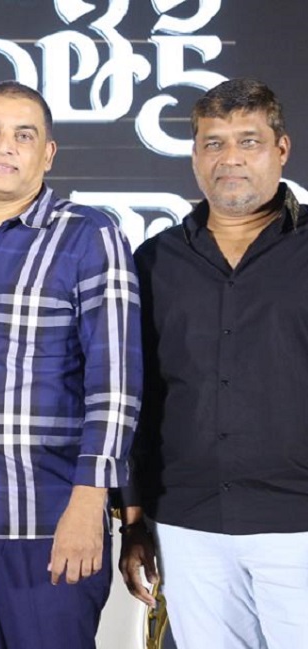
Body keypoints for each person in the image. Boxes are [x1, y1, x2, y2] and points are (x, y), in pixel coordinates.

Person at [0, 81, 142, 649]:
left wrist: (90, 501)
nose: (4, 146)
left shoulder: (89, 235)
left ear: (47, 154)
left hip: (48, 519)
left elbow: (115, 384)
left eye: (23, 135)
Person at [119, 78, 308, 649]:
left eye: (248, 141)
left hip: (298, 525)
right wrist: (133, 523)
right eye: (213, 143)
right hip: (188, 524)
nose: (230, 158)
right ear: (195, 155)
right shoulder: (155, 260)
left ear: (281, 149)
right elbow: (137, 397)